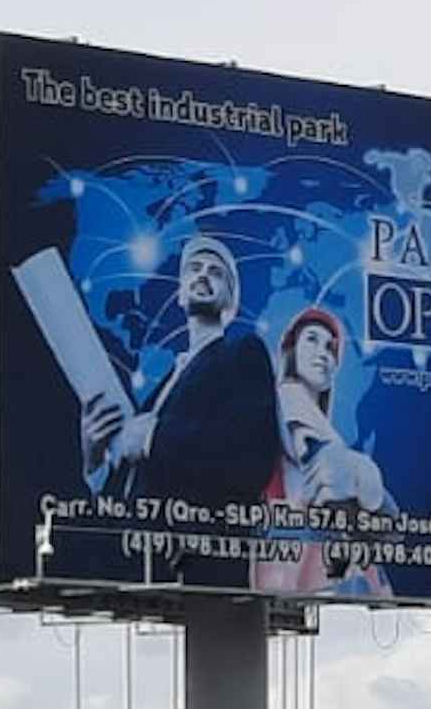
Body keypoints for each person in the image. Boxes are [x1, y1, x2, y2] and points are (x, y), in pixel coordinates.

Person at [81, 234, 278, 512]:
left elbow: (249, 459)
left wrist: (152, 436)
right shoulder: (162, 390)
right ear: (181, 295)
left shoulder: (243, 355)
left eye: (216, 272)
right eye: (194, 268)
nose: (203, 275)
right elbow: (136, 484)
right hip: (138, 549)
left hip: (197, 549)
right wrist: (96, 463)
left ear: (230, 302)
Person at [250, 307, 392, 598]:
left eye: (331, 347)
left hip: (306, 548)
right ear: (291, 351)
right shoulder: (289, 399)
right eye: (311, 340)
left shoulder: (315, 420)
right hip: (295, 544)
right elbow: (321, 461)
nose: (323, 353)